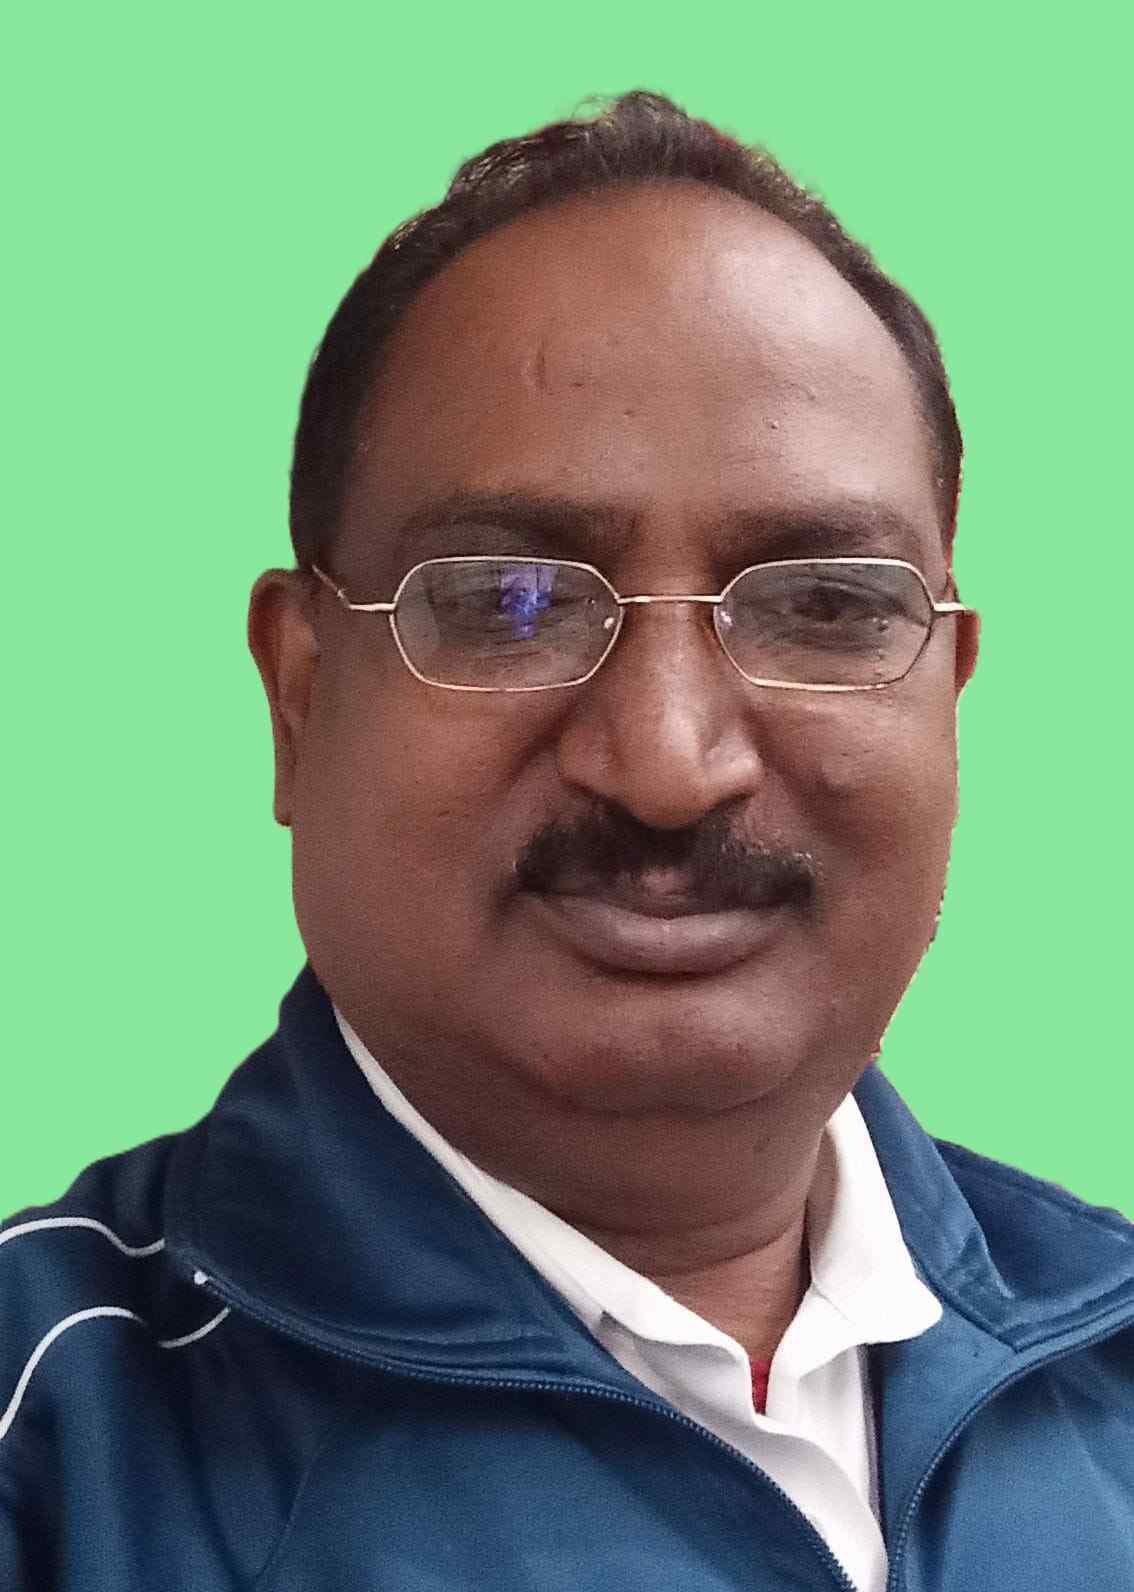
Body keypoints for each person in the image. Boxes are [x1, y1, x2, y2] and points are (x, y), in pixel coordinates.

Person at [2, 90, 1132, 1591]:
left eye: (821, 606)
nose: (667, 766)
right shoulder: (53, 1456)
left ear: (948, 694)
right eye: (507, 601)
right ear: (298, 699)